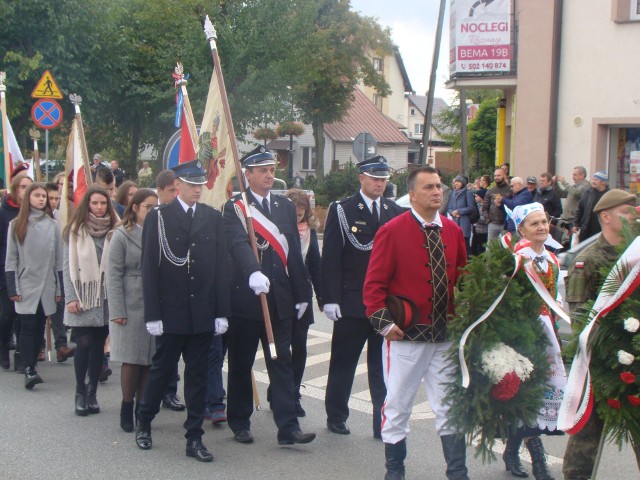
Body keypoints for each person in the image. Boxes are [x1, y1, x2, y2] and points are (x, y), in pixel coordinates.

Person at [363, 166, 468, 480]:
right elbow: (373, 285)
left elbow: (463, 278)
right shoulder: (392, 230)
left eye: (439, 186)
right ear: (412, 194)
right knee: (397, 405)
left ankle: (458, 472)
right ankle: (394, 472)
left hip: (445, 337)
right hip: (406, 338)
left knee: (450, 406)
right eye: (429, 187)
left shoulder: (453, 230)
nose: (437, 192)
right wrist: (383, 323)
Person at [136, 160, 230, 463]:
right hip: (171, 311)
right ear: (177, 185)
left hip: (202, 311)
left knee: (198, 377)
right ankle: (144, 422)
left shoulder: (211, 217)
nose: (197, 190)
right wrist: (153, 314)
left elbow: (220, 268)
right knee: (162, 371)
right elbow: (149, 268)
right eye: (191, 185)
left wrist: (221, 311)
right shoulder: (159, 218)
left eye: (200, 184)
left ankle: (194, 437)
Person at [223, 146, 315, 446]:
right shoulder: (236, 207)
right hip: (248, 300)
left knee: (282, 363)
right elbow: (237, 244)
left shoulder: (284, 206)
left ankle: (288, 427)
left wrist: (302, 292)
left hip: (280, 300)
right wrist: (252, 271)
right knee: (241, 362)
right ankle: (239, 420)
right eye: (262, 170)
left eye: (272, 169)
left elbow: (293, 255)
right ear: (247, 174)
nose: (269, 174)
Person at [322, 155, 404, 439]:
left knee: (381, 367)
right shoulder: (343, 209)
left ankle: (380, 421)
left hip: (385, 305)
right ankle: (336, 415)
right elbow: (330, 257)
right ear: (362, 178)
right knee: (343, 363)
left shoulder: (394, 211)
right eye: (374, 178)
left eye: (383, 179)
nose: (380, 183)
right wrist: (330, 298)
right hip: (352, 302)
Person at [563, 189, 639, 479]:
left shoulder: (634, 254)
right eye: (626, 211)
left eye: (634, 210)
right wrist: (609, 351)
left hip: (635, 361)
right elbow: (580, 318)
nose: (633, 215)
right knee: (587, 437)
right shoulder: (588, 261)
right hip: (600, 364)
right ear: (605, 216)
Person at [501, 203, 566, 480]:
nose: (541, 227)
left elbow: (556, 298)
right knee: (524, 394)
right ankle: (538, 462)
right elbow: (504, 299)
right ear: (521, 229)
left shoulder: (552, 259)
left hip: (546, 332)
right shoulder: (516, 259)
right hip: (521, 333)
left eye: (544, 222)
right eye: (534, 223)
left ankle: (512, 451)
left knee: (539, 393)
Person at [63, 186, 118, 416]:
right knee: (83, 344)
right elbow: (66, 267)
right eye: (95, 203)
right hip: (83, 296)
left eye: (103, 203)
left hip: (105, 297)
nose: (99, 207)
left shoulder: (115, 229)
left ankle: (92, 392)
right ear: (87, 205)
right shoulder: (75, 230)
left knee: (98, 347)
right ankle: (79, 392)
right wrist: (71, 297)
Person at [106, 188, 158, 432]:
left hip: (153, 300)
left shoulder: (158, 232)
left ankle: (142, 406)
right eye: (149, 207)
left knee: (149, 360)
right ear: (135, 208)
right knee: (132, 359)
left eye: (155, 207)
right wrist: (117, 309)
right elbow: (113, 274)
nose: (153, 211)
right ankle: (127, 405)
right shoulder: (121, 234)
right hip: (130, 299)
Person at [5, 183, 63, 388]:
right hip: (26, 283)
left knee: (39, 326)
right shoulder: (16, 224)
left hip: (47, 284)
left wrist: (59, 288)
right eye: (37, 195)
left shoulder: (52, 224)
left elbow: (59, 260)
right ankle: (27, 368)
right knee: (27, 327)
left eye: (44, 196)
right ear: (28, 197)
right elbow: (11, 260)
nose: (41, 199)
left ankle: (32, 366)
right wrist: (13, 288)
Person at [285, 188, 323, 417]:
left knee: (299, 347)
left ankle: (294, 392)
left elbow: (315, 264)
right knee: (281, 348)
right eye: (293, 215)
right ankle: (279, 390)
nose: (297, 219)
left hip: (303, 294)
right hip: (281, 293)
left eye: (300, 215)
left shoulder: (308, 232)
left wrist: (322, 297)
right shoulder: (276, 229)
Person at [153, 169, 185, 412]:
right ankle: (150, 398)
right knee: (162, 355)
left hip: (184, 298)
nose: (176, 195)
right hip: (161, 297)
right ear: (160, 191)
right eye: (172, 191)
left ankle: (170, 391)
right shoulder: (157, 217)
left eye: (178, 190)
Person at [0, 173, 33, 370]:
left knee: (26, 315)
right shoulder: (4, 213)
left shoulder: (35, 213)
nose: (25, 191)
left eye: (29, 187)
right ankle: (3, 345)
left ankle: (23, 355)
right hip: (7, 269)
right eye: (22, 186)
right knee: (8, 314)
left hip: (28, 270)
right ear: (15, 188)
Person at [45, 182, 75, 362]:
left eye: (57, 198)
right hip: (39, 271)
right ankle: (39, 347)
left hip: (58, 267)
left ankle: (61, 346)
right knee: (39, 312)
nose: (54, 202)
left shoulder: (60, 217)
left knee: (58, 306)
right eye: (51, 198)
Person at [572, 170, 610, 243]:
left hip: (602, 230)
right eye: (593, 179)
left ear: (603, 182)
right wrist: (575, 224)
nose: (593, 181)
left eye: (596, 180)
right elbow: (580, 209)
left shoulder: (609, 194)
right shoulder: (588, 193)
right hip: (586, 229)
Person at [447, 174, 475, 256]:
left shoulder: (468, 193)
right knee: (456, 244)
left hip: (464, 222)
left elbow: (471, 208)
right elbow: (449, 208)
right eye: (455, 182)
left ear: (463, 183)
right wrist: (452, 213)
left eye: (458, 182)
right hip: (455, 221)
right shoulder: (452, 193)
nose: (456, 183)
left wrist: (459, 211)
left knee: (465, 244)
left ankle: (468, 263)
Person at [483, 168, 512, 243]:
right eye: (495, 176)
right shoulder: (490, 191)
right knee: (490, 249)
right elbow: (485, 207)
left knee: (506, 247)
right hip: (492, 224)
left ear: (504, 176)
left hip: (505, 225)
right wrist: (488, 221)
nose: (496, 177)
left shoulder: (510, 190)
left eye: (499, 175)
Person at [470, 188, 488, 256]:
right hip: (476, 229)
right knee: (474, 247)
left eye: (477, 196)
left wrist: (476, 218)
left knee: (481, 248)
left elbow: (485, 219)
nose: (475, 197)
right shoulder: (477, 205)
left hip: (483, 231)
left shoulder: (485, 207)